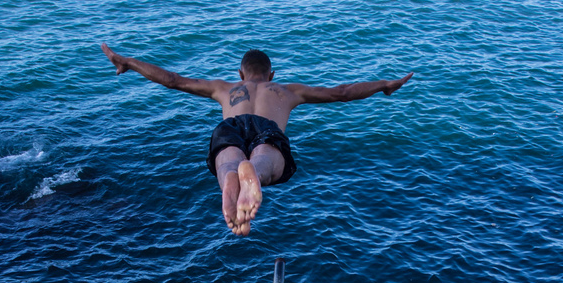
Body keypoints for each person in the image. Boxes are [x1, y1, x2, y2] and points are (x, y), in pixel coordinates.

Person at [101, 44, 413, 237]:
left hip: (231, 125)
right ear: (271, 74)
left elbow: (172, 80)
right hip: (267, 126)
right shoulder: (287, 91)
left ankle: (230, 183)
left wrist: (128, 62)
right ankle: (256, 173)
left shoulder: (223, 89)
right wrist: (383, 85)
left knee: (227, 161)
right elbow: (343, 92)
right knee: (266, 160)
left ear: (240, 73)